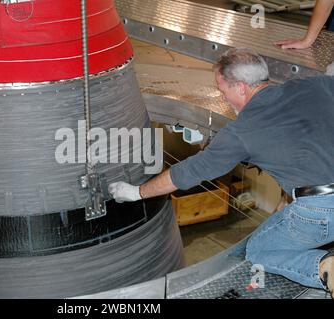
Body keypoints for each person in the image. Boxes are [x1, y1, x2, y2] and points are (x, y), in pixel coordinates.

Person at [108, 48, 334, 298]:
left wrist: (137, 192)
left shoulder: (240, 133)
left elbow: (185, 173)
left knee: (259, 250)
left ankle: (325, 269)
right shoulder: (317, 85)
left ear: (240, 87)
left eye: (222, 90)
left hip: (321, 212)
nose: (222, 97)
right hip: (321, 200)